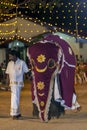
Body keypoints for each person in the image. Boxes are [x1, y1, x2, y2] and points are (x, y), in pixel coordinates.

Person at [5, 50, 30, 120]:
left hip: (18, 84)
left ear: (15, 56)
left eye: (10, 56)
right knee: (15, 98)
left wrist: (31, 79)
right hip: (12, 84)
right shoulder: (9, 63)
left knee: (15, 98)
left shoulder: (22, 63)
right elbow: (7, 74)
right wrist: (7, 85)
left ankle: (15, 113)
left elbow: (27, 72)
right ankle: (16, 113)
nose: (9, 57)